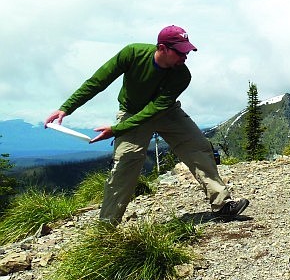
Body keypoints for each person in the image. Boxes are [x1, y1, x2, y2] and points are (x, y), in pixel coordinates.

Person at [45, 25, 249, 225]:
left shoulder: (181, 75)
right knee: (126, 161)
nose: (185, 57)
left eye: (186, 51)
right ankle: (107, 225)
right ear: (162, 48)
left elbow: (154, 109)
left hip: (165, 111)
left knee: (197, 146)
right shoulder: (133, 53)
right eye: (180, 52)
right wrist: (66, 108)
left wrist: (116, 130)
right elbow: (98, 81)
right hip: (132, 112)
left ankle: (222, 205)